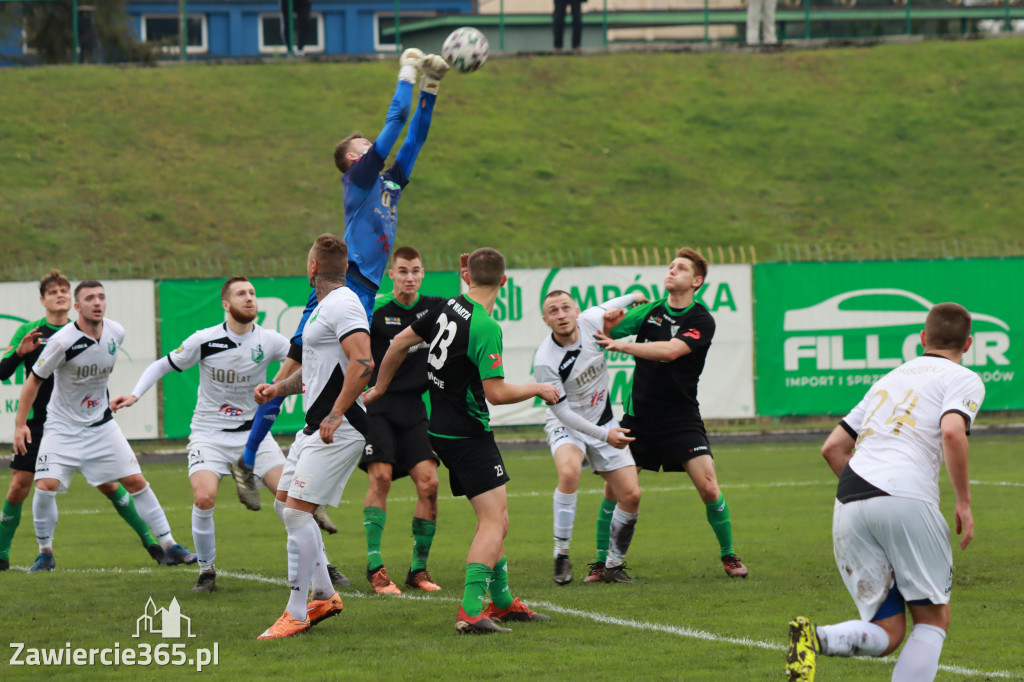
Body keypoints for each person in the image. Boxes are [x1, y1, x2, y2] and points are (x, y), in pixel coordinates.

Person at [230, 47, 450, 511]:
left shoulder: (389, 184)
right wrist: (408, 75)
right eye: (362, 147)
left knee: (330, 377)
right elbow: (394, 126)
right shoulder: (360, 181)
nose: (371, 148)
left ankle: (301, 467)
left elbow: (415, 139)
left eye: (367, 146)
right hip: (339, 290)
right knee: (292, 370)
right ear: (351, 161)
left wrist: (432, 87)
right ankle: (248, 460)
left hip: (364, 295)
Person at [365, 248, 560, 635]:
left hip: (440, 427)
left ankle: (502, 602)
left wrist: (379, 387)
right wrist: (538, 388)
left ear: (466, 275)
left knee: (498, 519)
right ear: (505, 282)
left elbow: (398, 342)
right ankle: (471, 610)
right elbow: (497, 392)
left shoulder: (448, 306)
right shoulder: (485, 326)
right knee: (493, 522)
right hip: (467, 434)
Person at [786, 302, 984, 682]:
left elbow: (832, 448)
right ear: (969, 343)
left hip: (850, 497)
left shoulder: (888, 379)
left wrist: (871, 497)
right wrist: (964, 502)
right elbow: (952, 432)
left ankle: (815, 638)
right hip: (905, 494)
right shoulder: (963, 377)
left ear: (923, 339)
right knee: (933, 618)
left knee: (890, 631)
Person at [111, 277, 291, 593]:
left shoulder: (272, 341)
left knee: (290, 498)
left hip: (254, 436)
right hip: (209, 436)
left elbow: (305, 361)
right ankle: (207, 572)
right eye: (241, 294)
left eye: (252, 293)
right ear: (226, 304)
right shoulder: (204, 340)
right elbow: (161, 365)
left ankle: (322, 566)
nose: (249, 298)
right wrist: (136, 395)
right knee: (204, 497)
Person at [13, 280, 196, 573]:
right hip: (62, 427)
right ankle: (45, 553)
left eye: (101, 297)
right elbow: (34, 380)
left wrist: (100, 402)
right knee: (45, 486)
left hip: (101, 426)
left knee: (136, 481)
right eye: (89, 298)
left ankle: (169, 544)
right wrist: (20, 424)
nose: (97, 302)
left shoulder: (115, 331)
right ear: (77, 306)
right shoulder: (62, 341)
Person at [595, 248, 748, 579]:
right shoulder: (650, 312)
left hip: (681, 419)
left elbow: (671, 351)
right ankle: (601, 561)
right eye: (670, 266)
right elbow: (609, 333)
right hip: (639, 419)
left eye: (680, 268)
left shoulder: (701, 319)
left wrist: (622, 345)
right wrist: (611, 324)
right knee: (615, 489)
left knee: (708, 487)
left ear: (696, 281)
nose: (671, 271)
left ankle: (729, 555)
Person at [255, 234, 372, 640]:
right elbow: (321, 371)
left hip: (339, 427)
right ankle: (324, 593)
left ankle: (297, 611)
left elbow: (363, 361)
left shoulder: (343, 303)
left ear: (313, 268)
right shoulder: (326, 308)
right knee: (283, 506)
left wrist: (337, 413)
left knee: (296, 514)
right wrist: (278, 387)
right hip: (316, 425)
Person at [534, 289, 645, 585]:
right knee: (570, 472)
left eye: (565, 308)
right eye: (553, 311)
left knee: (632, 495)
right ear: (545, 319)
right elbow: (564, 414)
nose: (560, 315)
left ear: (576, 310)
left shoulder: (592, 320)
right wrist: (605, 435)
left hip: (603, 420)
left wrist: (636, 295)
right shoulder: (545, 361)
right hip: (568, 424)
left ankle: (613, 564)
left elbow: (613, 303)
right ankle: (561, 554)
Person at [359, 246, 447, 594]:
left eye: (416, 270)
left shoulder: (436, 307)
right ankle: (375, 568)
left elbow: (470, 310)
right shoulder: (376, 310)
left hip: (414, 409)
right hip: (378, 407)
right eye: (403, 271)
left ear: (423, 274)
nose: (410, 277)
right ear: (391, 274)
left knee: (430, 484)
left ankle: (418, 571)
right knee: (380, 479)